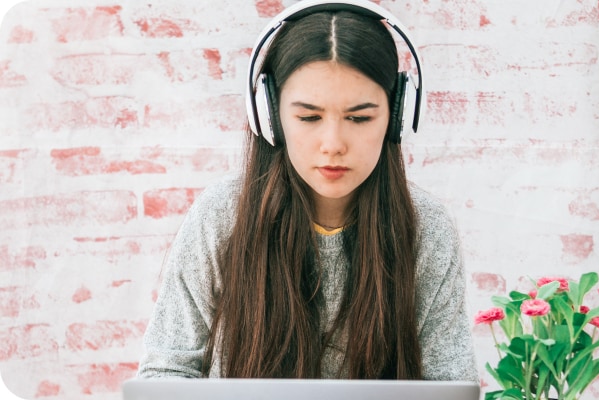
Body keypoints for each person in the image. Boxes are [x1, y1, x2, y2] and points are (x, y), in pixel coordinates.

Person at [137, 0, 478, 381]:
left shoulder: (426, 228)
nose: (333, 143)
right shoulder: (222, 215)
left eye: (360, 118)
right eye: (309, 117)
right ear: (270, 116)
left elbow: (449, 382)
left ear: (397, 116)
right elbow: (166, 372)